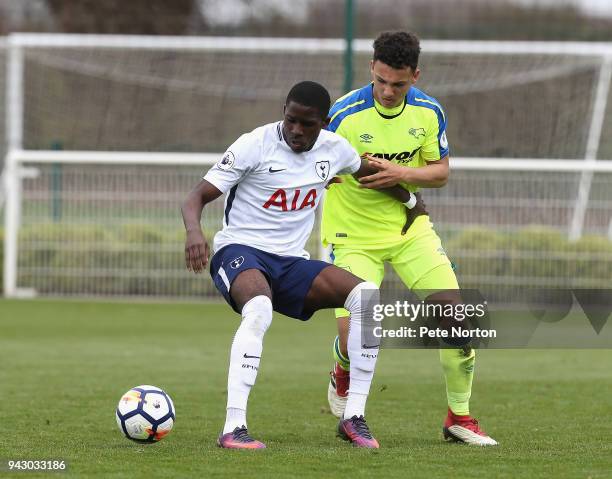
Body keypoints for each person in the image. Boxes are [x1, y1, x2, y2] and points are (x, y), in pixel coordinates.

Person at [181, 81, 423, 449]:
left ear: (324, 122)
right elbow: (195, 197)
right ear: (283, 111)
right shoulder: (254, 144)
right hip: (240, 251)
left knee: (368, 298)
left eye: (307, 124)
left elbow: (369, 174)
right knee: (259, 309)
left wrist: (409, 202)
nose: (296, 130)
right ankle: (233, 426)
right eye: (290, 120)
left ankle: (353, 417)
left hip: (292, 263)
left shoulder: (335, 149)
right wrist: (194, 232)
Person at [322, 31, 497, 446]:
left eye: (398, 84)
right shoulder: (344, 113)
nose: (387, 91)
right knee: (358, 332)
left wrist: (403, 174)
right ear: (371, 69)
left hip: (409, 232)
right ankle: (342, 366)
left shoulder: (429, 113)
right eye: (380, 80)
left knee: (457, 322)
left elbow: (440, 172)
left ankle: (459, 418)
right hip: (351, 237)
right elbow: (318, 164)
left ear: (415, 76)